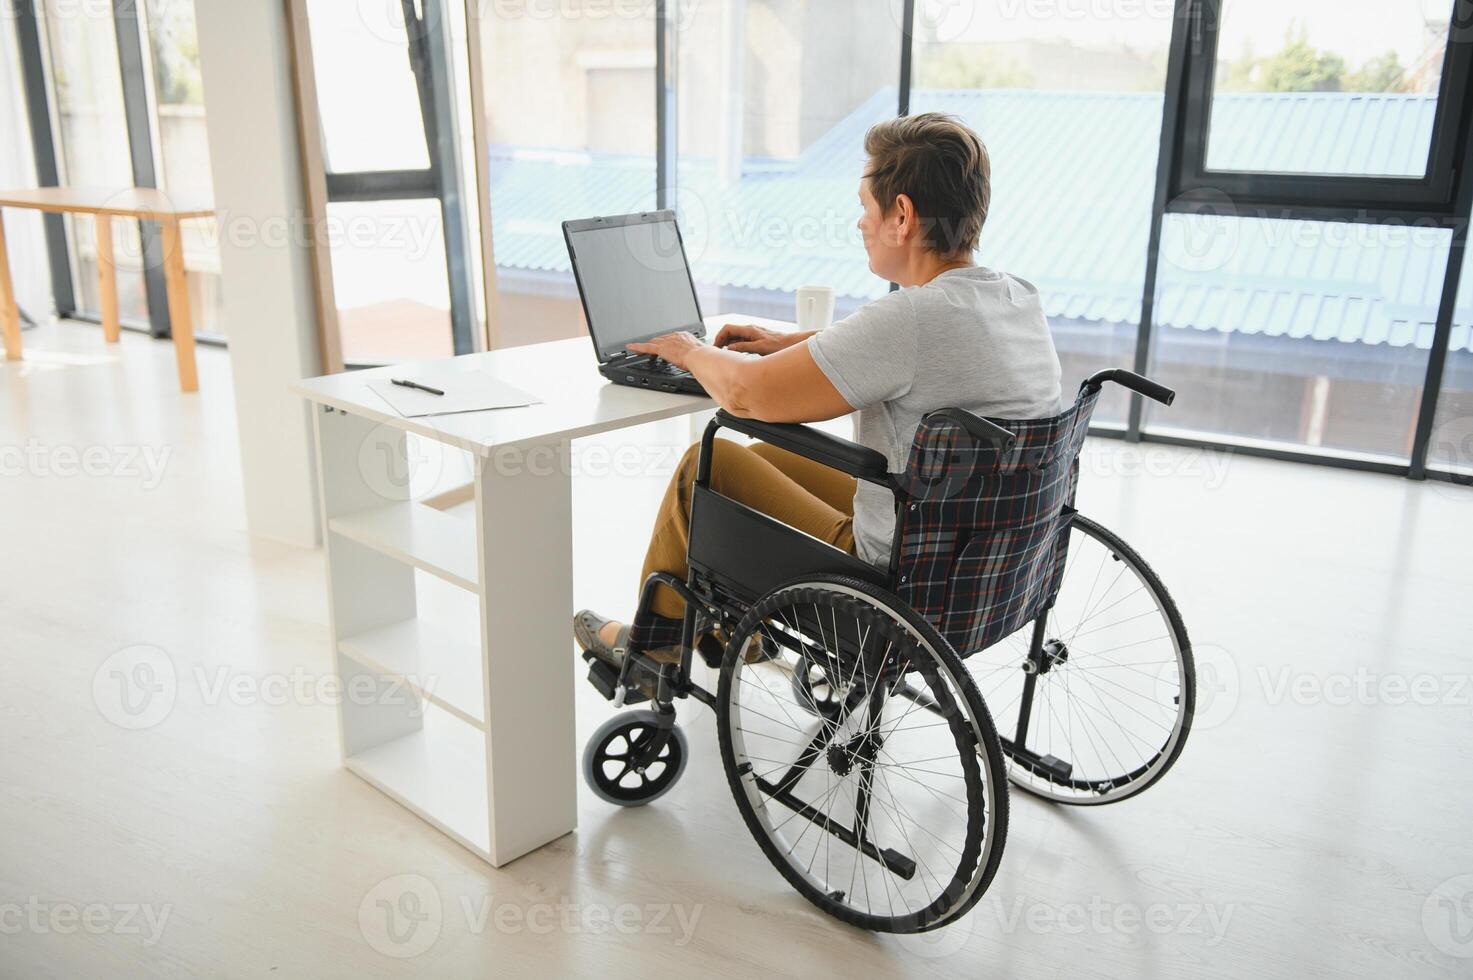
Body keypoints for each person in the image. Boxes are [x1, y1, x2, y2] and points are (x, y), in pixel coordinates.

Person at [573, 111, 1063, 666]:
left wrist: (687, 350)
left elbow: (744, 397)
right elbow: (928, 356)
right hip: (984, 561)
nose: (859, 223)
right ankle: (728, 629)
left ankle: (649, 652)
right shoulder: (1016, 297)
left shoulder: (911, 318)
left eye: (864, 207)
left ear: (901, 215)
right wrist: (793, 344)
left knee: (702, 469)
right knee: (761, 458)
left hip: (895, 580)